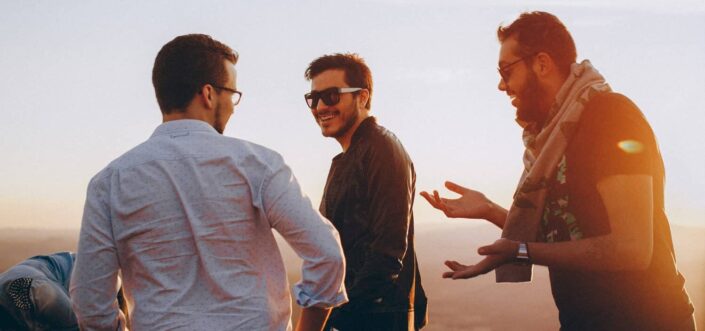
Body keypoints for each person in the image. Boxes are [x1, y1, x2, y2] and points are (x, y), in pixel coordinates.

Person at [421, 11, 695, 330]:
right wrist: (491, 211)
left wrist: (521, 251)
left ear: (541, 63)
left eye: (506, 70)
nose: (500, 85)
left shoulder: (611, 116)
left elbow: (630, 249)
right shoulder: (552, 139)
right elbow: (565, 232)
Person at [70, 34, 347, 331]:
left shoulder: (109, 183)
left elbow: (90, 303)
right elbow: (327, 254)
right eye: (232, 94)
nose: (232, 105)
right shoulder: (257, 165)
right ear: (208, 94)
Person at [304, 53, 428, 331]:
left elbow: (389, 250)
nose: (320, 106)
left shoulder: (382, 149)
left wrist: (338, 317)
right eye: (314, 99)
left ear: (362, 97)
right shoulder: (351, 156)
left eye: (332, 96)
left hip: (374, 318)